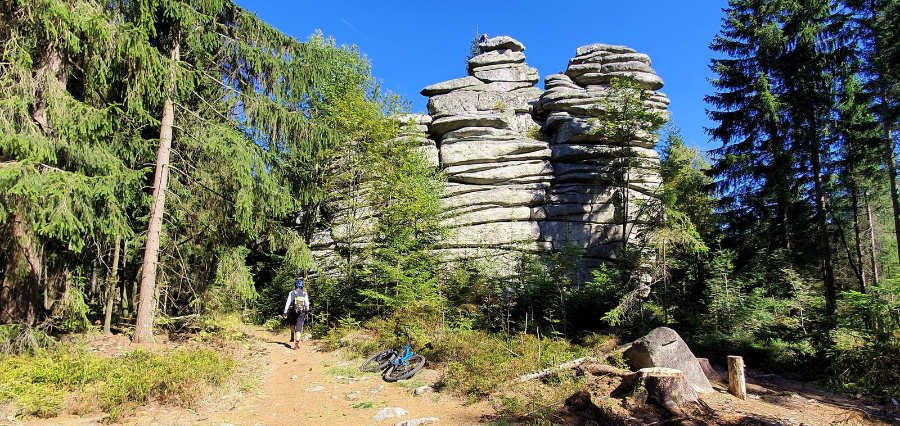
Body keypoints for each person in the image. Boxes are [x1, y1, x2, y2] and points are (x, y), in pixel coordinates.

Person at [282, 278, 310, 350]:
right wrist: (307, 311)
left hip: (292, 311)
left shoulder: (292, 292)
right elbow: (307, 304)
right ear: (302, 286)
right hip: (301, 312)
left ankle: (292, 334)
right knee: (299, 327)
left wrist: (285, 312)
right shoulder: (304, 293)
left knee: (292, 323)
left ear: (295, 285)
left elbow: (288, 302)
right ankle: (296, 344)